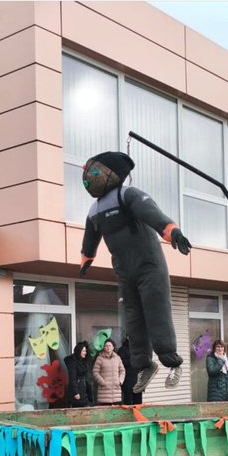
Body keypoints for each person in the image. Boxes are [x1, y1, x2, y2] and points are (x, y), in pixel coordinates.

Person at [78, 151, 189, 393]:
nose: (89, 178)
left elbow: (152, 214)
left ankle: (173, 362)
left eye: (94, 173)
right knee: (134, 318)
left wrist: (172, 231)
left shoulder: (128, 194)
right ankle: (144, 365)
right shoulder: (94, 211)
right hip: (124, 271)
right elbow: (90, 238)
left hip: (149, 266)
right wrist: (87, 258)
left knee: (156, 310)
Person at [63, 339, 96, 408]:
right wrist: (76, 392)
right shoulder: (73, 362)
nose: (85, 353)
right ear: (78, 351)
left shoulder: (82, 362)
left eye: (85, 351)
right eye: (83, 351)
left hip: (83, 389)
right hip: (77, 390)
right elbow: (72, 378)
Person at [93, 337, 125, 405]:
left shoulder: (117, 358)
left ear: (113, 347)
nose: (108, 347)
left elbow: (122, 370)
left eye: (110, 345)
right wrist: (102, 382)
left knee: (116, 413)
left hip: (116, 391)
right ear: (104, 347)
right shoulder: (100, 358)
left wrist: (120, 381)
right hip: (104, 392)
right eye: (106, 346)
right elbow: (95, 372)